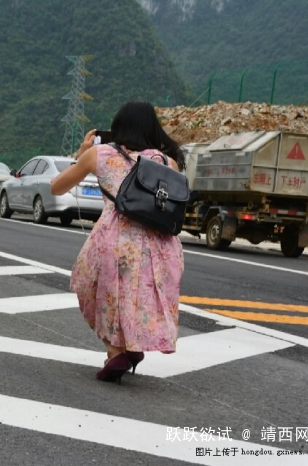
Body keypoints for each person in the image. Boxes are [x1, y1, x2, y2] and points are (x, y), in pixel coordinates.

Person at [50, 101, 185, 384]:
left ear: (117, 127)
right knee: (140, 298)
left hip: (115, 237)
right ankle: (131, 347)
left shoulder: (99, 154)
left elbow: (57, 187)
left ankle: (116, 351)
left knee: (98, 291)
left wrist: (82, 154)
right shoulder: (166, 162)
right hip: (159, 244)